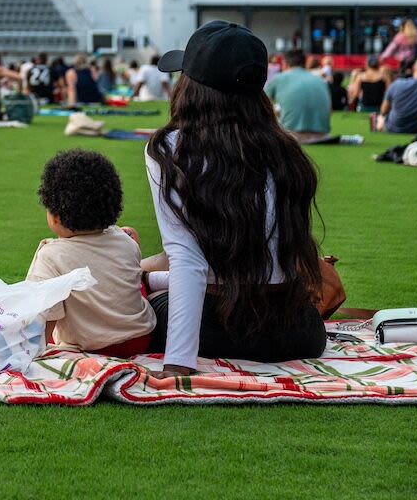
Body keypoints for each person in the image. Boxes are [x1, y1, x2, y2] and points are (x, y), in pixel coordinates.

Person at [141, 22, 333, 376]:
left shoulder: (169, 150)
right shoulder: (288, 150)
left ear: (191, 88)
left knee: (141, 308)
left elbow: (188, 260)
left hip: (213, 329)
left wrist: (178, 364)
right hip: (297, 332)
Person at [27, 149, 156, 356]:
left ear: (55, 216)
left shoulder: (51, 256)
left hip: (92, 346)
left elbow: (42, 321)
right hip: (140, 339)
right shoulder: (125, 240)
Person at [265, 48, 331, 140]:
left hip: (291, 135)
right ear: (304, 64)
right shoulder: (320, 80)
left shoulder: (278, 79)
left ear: (285, 64)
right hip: (322, 136)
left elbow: (263, 109)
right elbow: (329, 111)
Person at [379, 54, 417, 138]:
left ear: (414, 68)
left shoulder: (396, 84)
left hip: (393, 130)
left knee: (381, 118)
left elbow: (383, 111)